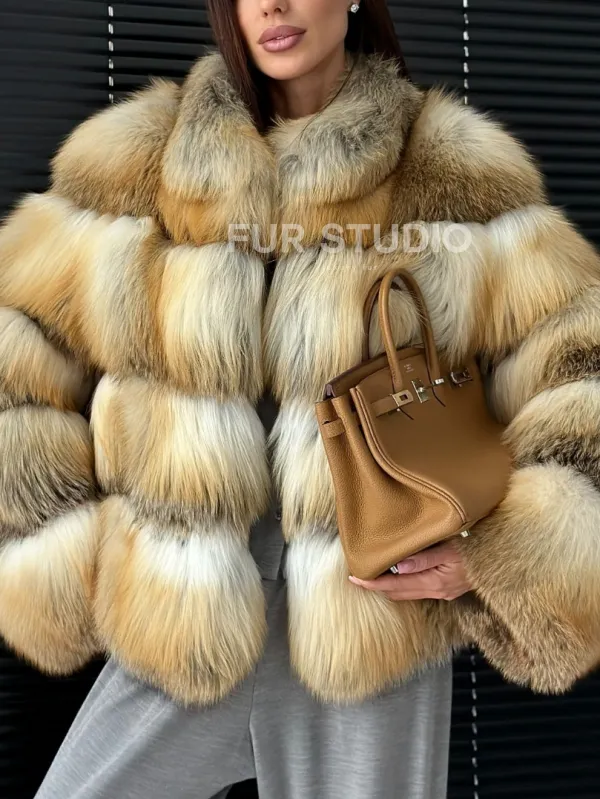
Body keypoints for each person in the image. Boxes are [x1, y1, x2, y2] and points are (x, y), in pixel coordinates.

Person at [0, 0, 599, 796]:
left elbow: (582, 368)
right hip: (183, 621)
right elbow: (18, 362)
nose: (272, 7)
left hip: (372, 633)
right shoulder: (136, 161)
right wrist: (71, 559)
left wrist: (503, 556)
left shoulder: (449, 167)